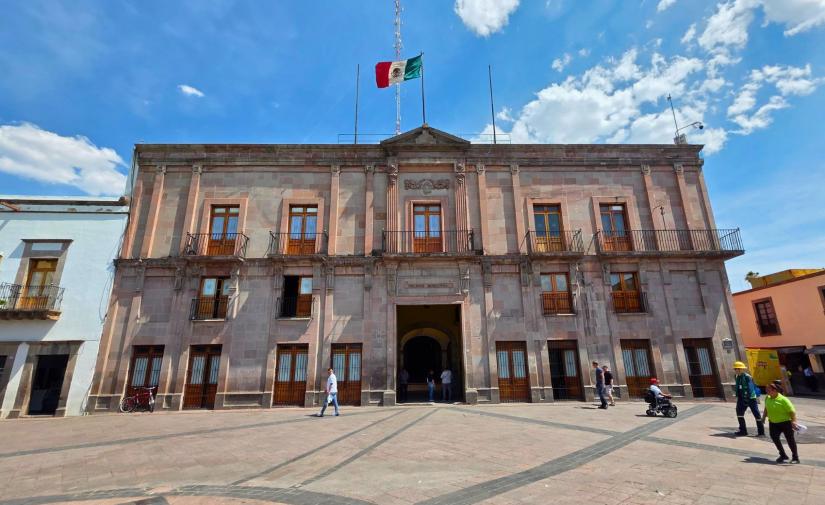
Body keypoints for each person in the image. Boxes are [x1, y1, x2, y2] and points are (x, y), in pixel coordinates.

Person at [761, 383, 799, 463]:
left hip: (786, 423)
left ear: (775, 390)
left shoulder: (783, 399)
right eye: (766, 390)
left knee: (790, 440)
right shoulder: (767, 398)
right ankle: (783, 454)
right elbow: (766, 408)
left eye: (768, 390)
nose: (766, 391)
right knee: (774, 437)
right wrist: (764, 417)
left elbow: (792, 411)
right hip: (773, 423)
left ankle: (795, 457)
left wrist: (794, 421)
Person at [733, 361, 764, 437]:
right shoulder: (737, 377)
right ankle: (743, 430)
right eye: (735, 369)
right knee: (739, 414)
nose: (736, 370)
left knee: (756, 414)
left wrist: (746, 398)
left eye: (738, 369)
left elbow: (750, 388)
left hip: (750, 398)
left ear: (741, 369)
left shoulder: (747, 377)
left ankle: (761, 432)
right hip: (741, 398)